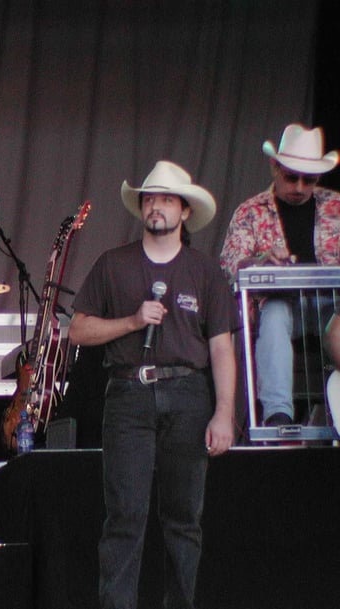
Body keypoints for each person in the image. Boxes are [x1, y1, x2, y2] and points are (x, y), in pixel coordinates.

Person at [68, 160, 236, 609]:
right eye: (149, 198)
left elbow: (222, 347)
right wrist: (131, 321)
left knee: (184, 519)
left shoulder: (205, 271)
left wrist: (224, 413)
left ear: (184, 211)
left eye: (165, 199)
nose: (155, 206)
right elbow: (78, 332)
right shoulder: (113, 264)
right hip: (127, 393)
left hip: (189, 394)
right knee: (125, 517)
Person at [220, 123, 340, 427]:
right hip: (282, 305)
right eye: (291, 176)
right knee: (273, 315)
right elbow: (230, 263)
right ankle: (278, 415)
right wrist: (260, 259)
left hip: (332, 305)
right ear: (275, 167)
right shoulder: (250, 211)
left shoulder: (336, 206)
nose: (300, 186)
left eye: (309, 179)